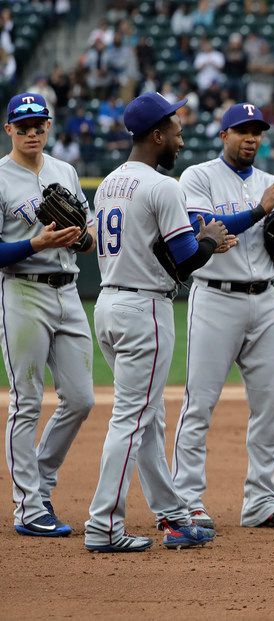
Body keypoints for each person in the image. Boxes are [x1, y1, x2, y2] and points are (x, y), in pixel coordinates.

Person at [84, 92, 231, 553]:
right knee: (132, 419)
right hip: (144, 309)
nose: (181, 138)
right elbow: (184, 261)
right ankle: (103, 525)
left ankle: (172, 515)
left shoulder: (108, 183)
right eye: (175, 129)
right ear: (156, 135)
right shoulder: (163, 187)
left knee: (148, 419)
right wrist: (207, 240)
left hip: (108, 305)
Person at [170, 102, 274, 530]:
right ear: (223, 134)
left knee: (269, 406)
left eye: (257, 131)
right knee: (199, 404)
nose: (251, 137)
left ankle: (261, 502)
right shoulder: (198, 176)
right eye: (242, 130)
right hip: (215, 298)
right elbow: (200, 225)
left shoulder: (273, 183)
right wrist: (260, 210)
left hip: (264, 300)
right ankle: (187, 500)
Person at [0, 93, 95, 538]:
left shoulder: (66, 171)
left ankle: (39, 481)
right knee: (27, 401)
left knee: (80, 399)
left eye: (39, 124)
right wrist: (34, 244)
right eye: (24, 126)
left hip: (69, 289)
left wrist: (82, 238)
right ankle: (29, 508)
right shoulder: (0, 177)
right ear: (9, 131)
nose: (33, 132)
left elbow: (89, 233)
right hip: (23, 290)